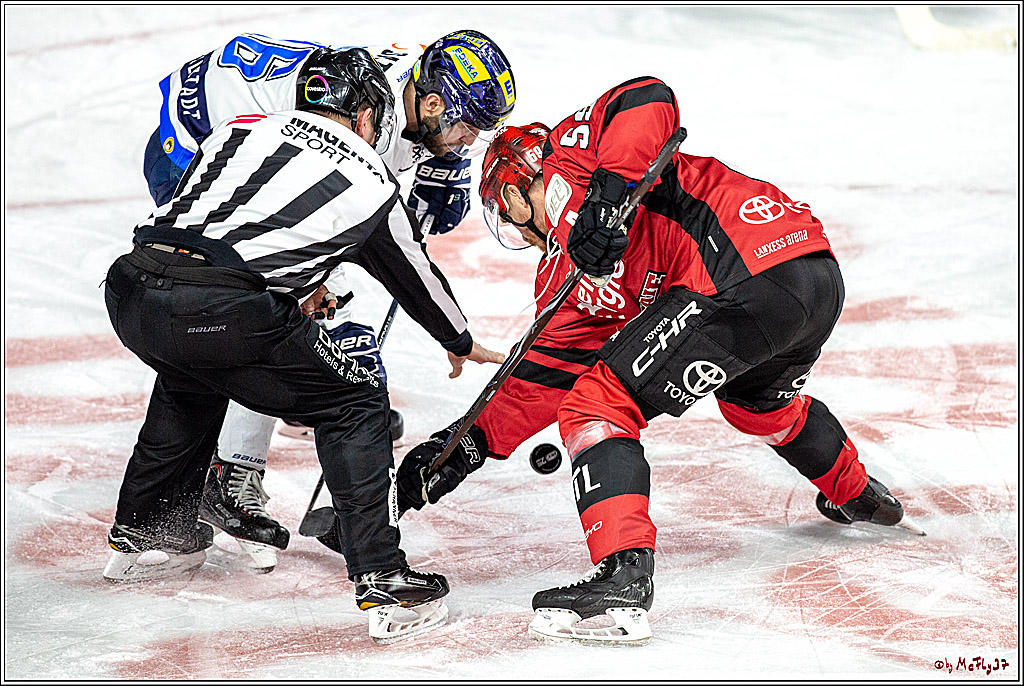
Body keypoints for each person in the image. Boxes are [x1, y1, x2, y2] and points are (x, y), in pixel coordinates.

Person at [395, 77, 925, 646]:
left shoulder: (575, 149)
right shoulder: (567, 271)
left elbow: (647, 95)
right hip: (810, 276)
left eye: (505, 208)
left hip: (740, 270)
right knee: (757, 406)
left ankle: (623, 575)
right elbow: (544, 371)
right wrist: (463, 445)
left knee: (597, 406)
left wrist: (609, 191)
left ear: (518, 187)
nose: (517, 228)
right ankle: (859, 495)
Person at [102, 48, 504, 644]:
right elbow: (411, 273)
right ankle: (384, 578)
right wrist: (459, 339)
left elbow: (215, 217)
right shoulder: (372, 178)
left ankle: (150, 530)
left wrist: (290, 283)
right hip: (219, 306)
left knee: (193, 372)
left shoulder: (244, 128)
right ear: (368, 116)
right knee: (355, 401)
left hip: (132, 290)